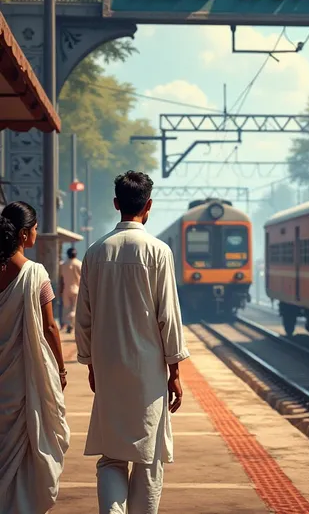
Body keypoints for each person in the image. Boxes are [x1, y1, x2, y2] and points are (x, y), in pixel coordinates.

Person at [75, 171, 189, 514]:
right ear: (149, 206)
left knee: (112, 457)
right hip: (148, 372)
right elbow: (168, 316)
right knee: (148, 456)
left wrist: (92, 365)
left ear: (116, 204)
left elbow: (84, 319)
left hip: (108, 368)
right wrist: (175, 371)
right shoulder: (159, 252)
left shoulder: (95, 253)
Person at [0, 201, 70, 514]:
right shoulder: (35, 273)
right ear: (26, 233)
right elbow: (51, 327)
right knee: (27, 444)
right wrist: (61, 368)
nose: (38, 234)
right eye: (37, 228)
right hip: (24, 376)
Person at [60, 246, 82, 334]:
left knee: (67, 308)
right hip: (77, 288)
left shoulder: (63, 264)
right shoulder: (79, 264)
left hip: (66, 289)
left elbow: (61, 278)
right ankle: (71, 325)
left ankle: (69, 324)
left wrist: (60, 290)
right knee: (74, 309)